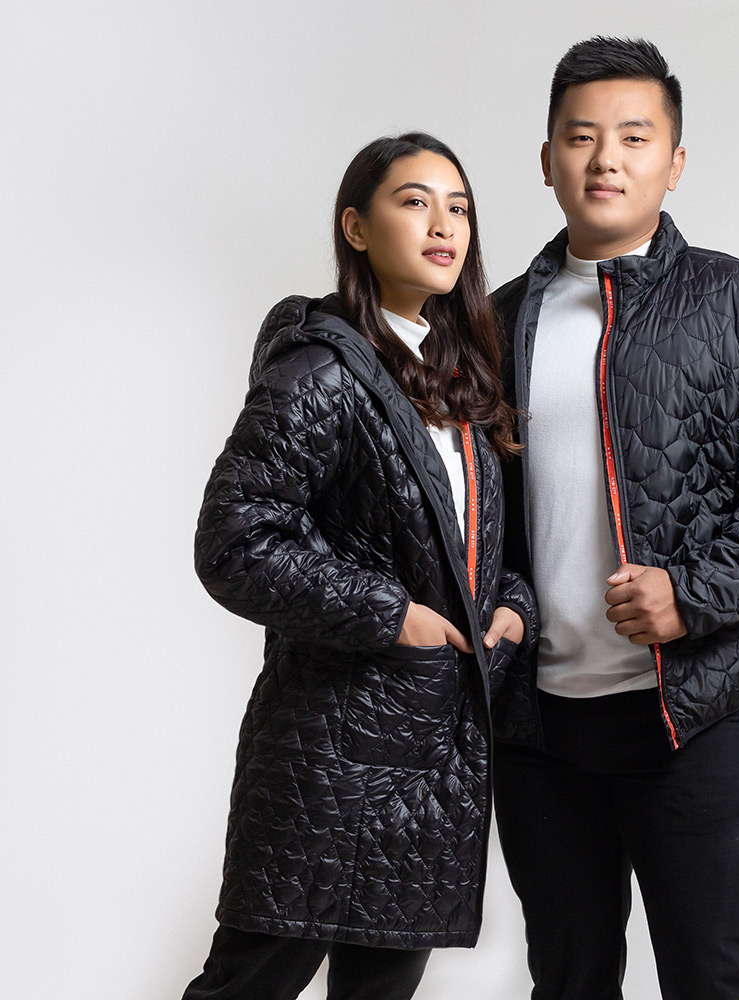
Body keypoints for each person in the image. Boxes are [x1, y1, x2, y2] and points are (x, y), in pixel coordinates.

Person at [490, 37, 739, 1000]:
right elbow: (472, 514)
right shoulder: (492, 322)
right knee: (567, 981)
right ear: (547, 160)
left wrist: (691, 597)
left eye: (633, 136)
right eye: (581, 137)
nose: (605, 159)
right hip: (538, 727)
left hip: (693, 710)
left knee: (711, 978)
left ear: (675, 161)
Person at [181, 132, 538, 1000]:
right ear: (356, 227)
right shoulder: (323, 368)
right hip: (328, 756)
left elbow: (473, 547)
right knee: (249, 985)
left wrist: (513, 605)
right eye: (414, 202)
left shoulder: (458, 379)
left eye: (458, 208)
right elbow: (234, 541)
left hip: (430, 767)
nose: (443, 226)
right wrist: (392, 615)